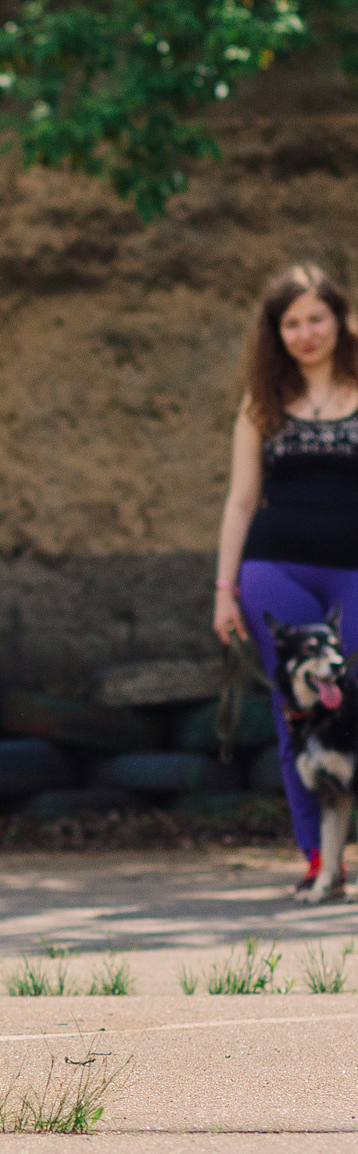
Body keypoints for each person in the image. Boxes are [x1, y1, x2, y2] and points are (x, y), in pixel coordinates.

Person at [213, 263, 358, 895]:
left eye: (317, 318)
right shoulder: (261, 403)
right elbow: (242, 501)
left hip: (353, 571)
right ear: (276, 333)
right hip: (275, 570)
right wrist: (224, 591)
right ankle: (320, 858)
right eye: (291, 322)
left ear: (340, 320)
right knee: (297, 710)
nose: (306, 333)